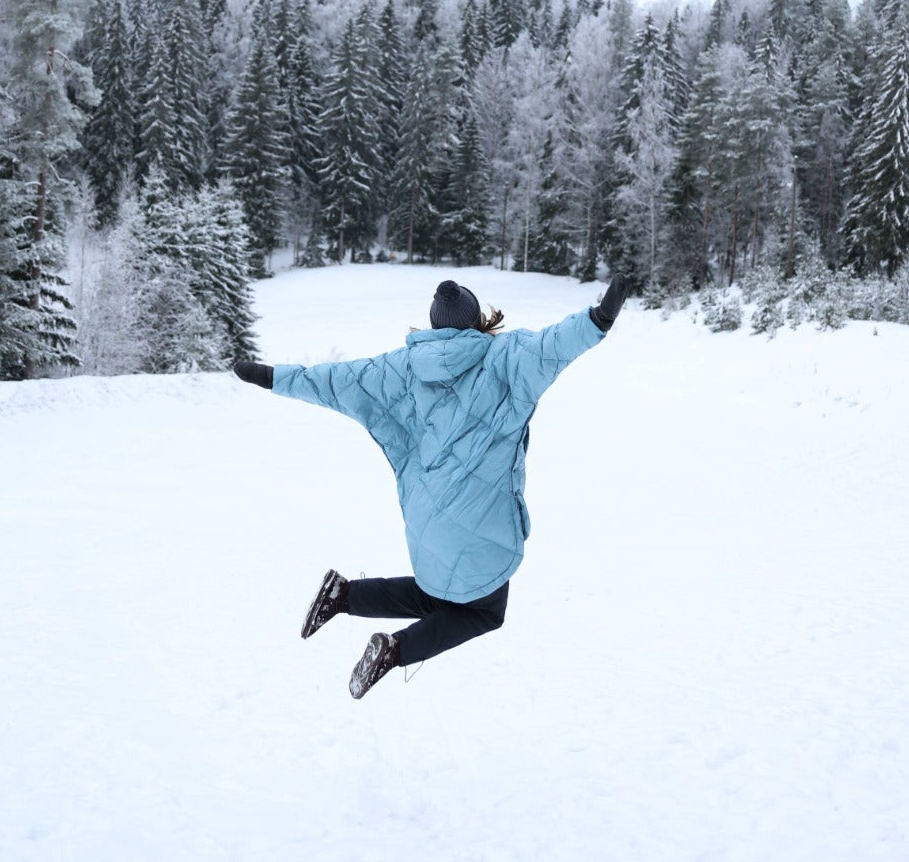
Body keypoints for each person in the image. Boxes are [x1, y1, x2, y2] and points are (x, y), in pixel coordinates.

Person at [234, 273, 627, 698]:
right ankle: (395, 649)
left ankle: (343, 596)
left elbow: (336, 379)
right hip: (483, 524)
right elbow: (554, 345)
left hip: (425, 520)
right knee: (483, 612)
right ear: (478, 318)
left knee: (440, 595)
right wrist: (598, 319)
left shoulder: (401, 367)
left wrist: (274, 377)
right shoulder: (507, 357)